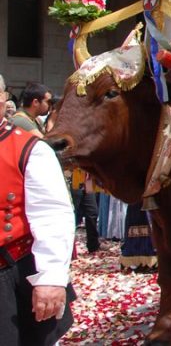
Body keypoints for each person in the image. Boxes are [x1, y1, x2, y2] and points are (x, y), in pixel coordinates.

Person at [0, 74, 76, 344]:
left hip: (11, 274)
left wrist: (51, 278)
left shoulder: (30, 149)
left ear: (3, 99)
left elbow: (52, 214)